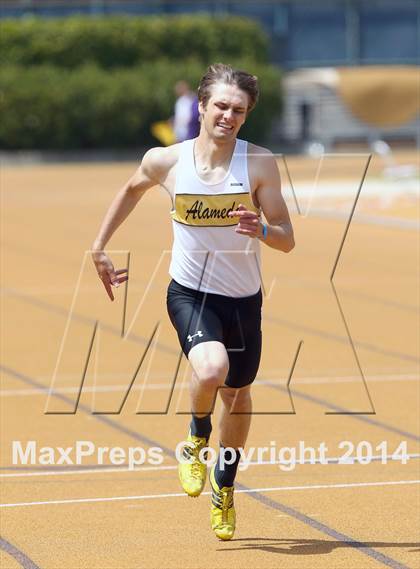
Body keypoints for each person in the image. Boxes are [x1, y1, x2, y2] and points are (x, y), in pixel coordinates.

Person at [91, 63, 295, 541]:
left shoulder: (260, 164)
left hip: (243, 300)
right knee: (210, 370)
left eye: (238, 110)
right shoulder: (167, 160)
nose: (228, 115)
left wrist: (262, 229)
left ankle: (224, 486)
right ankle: (196, 434)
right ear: (201, 106)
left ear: (246, 116)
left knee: (238, 395)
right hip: (189, 292)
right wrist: (99, 248)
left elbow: (287, 238)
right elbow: (130, 190)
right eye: (221, 105)